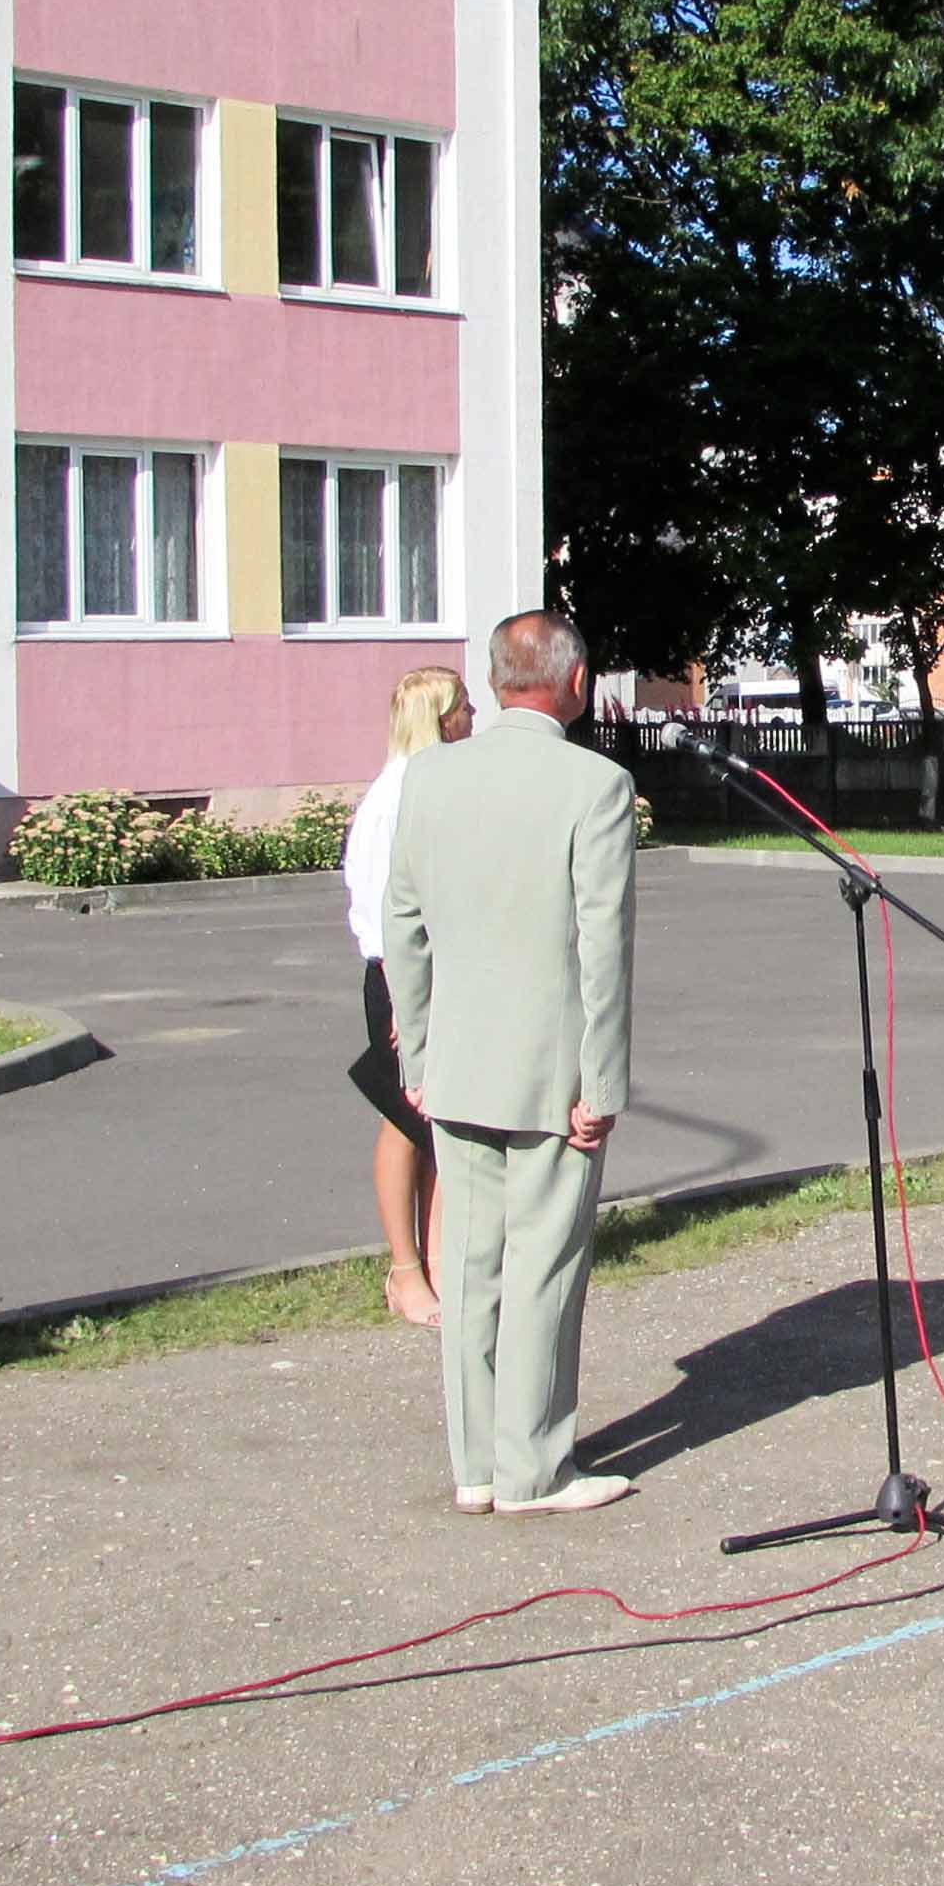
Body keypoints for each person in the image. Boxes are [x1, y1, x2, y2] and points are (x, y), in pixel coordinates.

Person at [380, 609, 640, 1515]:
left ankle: (476, 1464)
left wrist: (417, 1050)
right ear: (574, 682)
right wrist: (602, 1081)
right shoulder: (596, 785)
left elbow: (400, 928)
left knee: (470, 1263)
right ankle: (533, 1469)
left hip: (456, 1061)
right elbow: (601, 947)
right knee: (542, 1267)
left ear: (495, 683)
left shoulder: (430, 778)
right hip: (553, 1074)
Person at [341, 664, 474, 1326]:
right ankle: (405, 1269)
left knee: (441, 1122)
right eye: (464, 708)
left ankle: (442, 1257)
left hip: (438, 975)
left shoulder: (436, 787)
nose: (473, 719)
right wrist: (403, 996)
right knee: (405, 1118)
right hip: (401, 979)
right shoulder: (396, 795)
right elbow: (381, 906)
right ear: (439, 719)